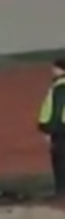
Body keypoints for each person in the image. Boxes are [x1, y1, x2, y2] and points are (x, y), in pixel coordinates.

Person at [38, 58, 65, 197]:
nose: (52, 70)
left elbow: (56, 111)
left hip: (60, 129)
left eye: (55, 68)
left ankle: (61, 190)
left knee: (59, 160)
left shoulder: (60, 88)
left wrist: (49, 130)